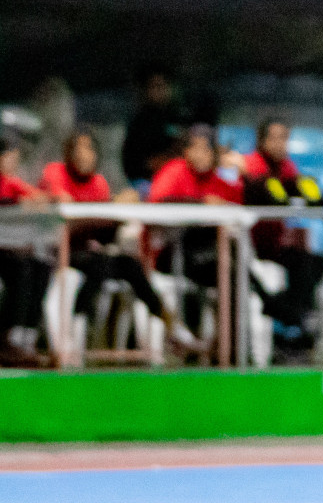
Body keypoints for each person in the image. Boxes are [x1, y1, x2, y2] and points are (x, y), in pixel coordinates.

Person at [41, 130, 200, 353]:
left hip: (94, 253)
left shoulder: (99, 183)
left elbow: (104, 234)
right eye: (78, 149)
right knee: (99, 263)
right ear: (68, 154)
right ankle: (76, 331)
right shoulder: (56, 173)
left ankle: (171, 327)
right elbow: (68, 223)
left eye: (89, 150)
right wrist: (108, 210)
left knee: (131, 266)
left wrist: (118, 214)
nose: (84, 155)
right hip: (61, 253)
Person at [148, 125, 243, 334]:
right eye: (195, 148)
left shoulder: (218, 181)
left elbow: (243, 208)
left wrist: (244, 173)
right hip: (171, 254)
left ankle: (229, 344)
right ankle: (206, 340)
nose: (200, 155)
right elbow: (159, 201)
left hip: (210, 258)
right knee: (226, 267)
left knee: (234, 269)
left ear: (214, 153)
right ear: (186, 151)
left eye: (206, 149)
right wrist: (201, 203)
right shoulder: (175, 171)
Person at [242, 119, 323, 344]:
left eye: (285, 138)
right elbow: (273, 195)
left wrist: (309, 191)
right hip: (249, 246)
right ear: (262, 141)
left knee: (315, 262)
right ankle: (288, 314)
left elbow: (311, 195)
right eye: (275, 138)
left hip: (275, 245)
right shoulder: (253, 164)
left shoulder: (287, 166)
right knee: (301, 265)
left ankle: (288, 313)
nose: (281, 144)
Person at [0, 138, 51, 363]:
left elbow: (40, 199)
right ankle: (6, 337)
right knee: (22, 269)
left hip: (10, 249)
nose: (13, 163)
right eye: (9, 157)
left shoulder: (11, 182)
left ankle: (25, 337)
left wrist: (40, 200)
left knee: (40, 266)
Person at [121, 67, 186, 187]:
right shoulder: (139, 122)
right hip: (145, 181)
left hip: (174, 180)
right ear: (146, 90)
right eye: (155, 86)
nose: (161, 91)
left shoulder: (176, 117)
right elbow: (142, 163)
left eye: (164, 85)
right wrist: (163, 161)